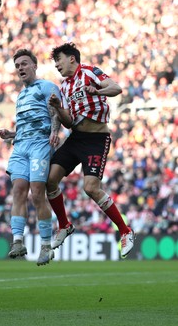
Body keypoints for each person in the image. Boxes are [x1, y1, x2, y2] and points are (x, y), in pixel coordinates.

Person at [46, 42, 135, 258]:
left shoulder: (89, 72)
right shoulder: (64, 86)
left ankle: (125, 230)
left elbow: (116, 88)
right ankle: (64, 225)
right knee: (49, 180)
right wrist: (58, 110)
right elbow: (67, 121)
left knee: (91, 188)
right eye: (55, 61)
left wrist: (97, 90)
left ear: (72, 59)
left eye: (59, 59)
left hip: (96, 139)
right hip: (76, 138)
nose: (57, 64)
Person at [0, 49, 61, 266]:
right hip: (21, 145)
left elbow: (55, 113)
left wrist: (54, 131)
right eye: (18, 66)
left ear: (34, 65)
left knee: (37, 193)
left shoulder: (47, 87)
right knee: (18, 189)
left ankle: (45, 245)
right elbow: (28, 124)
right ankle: (17, 241)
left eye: (24, 64)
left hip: (40, 144)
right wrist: (11, 134)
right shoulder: (21, 95)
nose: (21, 68)